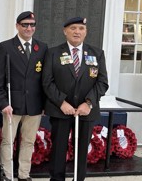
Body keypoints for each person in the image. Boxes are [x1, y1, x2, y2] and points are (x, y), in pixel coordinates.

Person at [42, 17, 109, 181]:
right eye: (73, 28)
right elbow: (47, 82)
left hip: (86, 112)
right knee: (58, 150)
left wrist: (88, 103)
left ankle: (78, 179)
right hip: (60, 110)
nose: (77, 32)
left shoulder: (97, 53)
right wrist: (61, 102)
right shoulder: (53, 53)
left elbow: (102, 82)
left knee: (81, 150)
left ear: (86, 32)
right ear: (65, 31)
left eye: (81, 28)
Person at [0, 11, 48, 181]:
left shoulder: (42, 47)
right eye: (25, 24)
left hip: (34, 105)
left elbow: (45, 79)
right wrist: (3, 103)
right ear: (17, 26)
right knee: (8, 141)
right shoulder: (6, 47)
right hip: (12, 104)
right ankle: (7, 174)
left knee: (28, 142)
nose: (29, 28)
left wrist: (45, 104)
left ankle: (24, 174)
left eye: (32, 25)